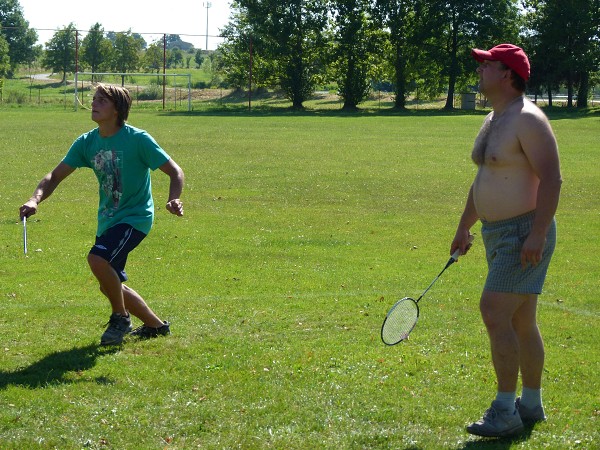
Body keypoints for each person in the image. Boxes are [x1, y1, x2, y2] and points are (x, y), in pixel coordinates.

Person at [451, 44, 562, 438]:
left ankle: (504, 411)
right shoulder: (494, 118)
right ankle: (529, 404)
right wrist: (464, 226)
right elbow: (484, 178)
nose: (479, 69)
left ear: (507, 74)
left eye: (487, 64)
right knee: (521, 321)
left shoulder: (528, 119)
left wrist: (537, 233)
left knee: (494, 311)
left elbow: (552, 178)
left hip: (522, 233)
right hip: (496, 233)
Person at [19, 84, 185, 346]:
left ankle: (121, 318)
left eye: (102, 100)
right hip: (108, 219)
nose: (94, 104)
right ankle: (156, 326)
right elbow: (54, 176)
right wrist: (35, 198)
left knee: (97, 259)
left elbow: (175, 171)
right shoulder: (87, 142)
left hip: (135, 217)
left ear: (117, 109)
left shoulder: (138, 139)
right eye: (94, 99)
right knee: (109, 283)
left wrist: (173, 198)